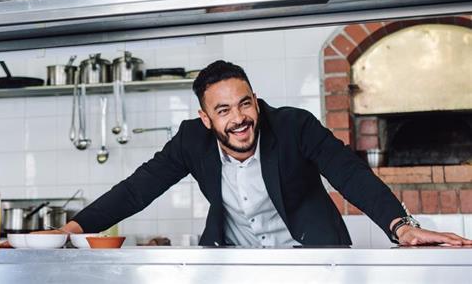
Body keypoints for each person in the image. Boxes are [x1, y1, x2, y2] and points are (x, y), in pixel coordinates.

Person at [57, 60, 471, 247]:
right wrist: (71, 230)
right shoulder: (190, 140)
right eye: (223, 111)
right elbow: (136, 191)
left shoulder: (293, 126)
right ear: (206, 119)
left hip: (310, 261)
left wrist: (401, 226)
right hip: (234, 266)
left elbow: (349, 173)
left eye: (245, 104)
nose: (239, 119)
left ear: (256, 100)